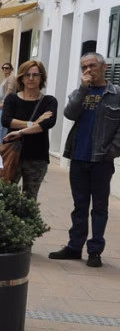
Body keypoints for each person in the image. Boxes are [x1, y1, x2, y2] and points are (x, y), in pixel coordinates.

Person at [49, 53, 120, 268]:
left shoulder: (116, 94)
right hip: (78, 157)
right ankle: (74, 246)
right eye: (84, 67)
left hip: (101, 160)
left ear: (104, 67)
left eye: (92, 65)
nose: (88, 70)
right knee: (79, 205)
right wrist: (82, 89)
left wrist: (110, 152)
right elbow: (70, 114)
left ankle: (95, 251)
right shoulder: (79, 92)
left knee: (99, 207)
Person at [1, 59, 58, 200]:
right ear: (21, 77)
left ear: (42, 77)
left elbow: (47, 124)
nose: (31, 78)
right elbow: (6, 121)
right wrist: (33, 123)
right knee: (5, 194)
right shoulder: (12, 100)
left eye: (35, 75)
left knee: (30, 199)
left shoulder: (49, 101)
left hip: (37, 157)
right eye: (27, 75)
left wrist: (20, 130)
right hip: (12, 154)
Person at [0, 62, 15, 142]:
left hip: (4, 105)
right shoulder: (5, 79)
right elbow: (1, 90)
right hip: (0, 105)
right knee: (2, 125)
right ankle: (2, 142)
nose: (4, 69)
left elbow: (10, 90)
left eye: (7, 68)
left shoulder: (11, 78)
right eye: (3, 68)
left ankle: (1, 142)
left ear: (11, 69)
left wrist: (3, 101)